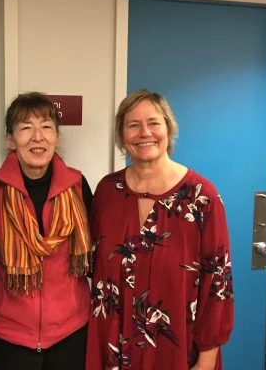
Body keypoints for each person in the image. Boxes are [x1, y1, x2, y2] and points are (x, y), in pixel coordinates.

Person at [86, 89, 234, 370]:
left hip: (176, 348)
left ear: (168, 128)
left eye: (153, 123)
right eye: (133, 125)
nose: (145, 133)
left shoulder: (201, 196)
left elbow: (218, 283)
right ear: (122, 135)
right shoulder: (107, 191)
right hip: (113, 346)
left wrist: (206, 360)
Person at [0, 92, 93, 370]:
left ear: (56, 137)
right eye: (25, 128)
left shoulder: (78, 186)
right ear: (11, 140)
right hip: (9, 336)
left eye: (46, 127)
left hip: (71, 333)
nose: (38, 137)